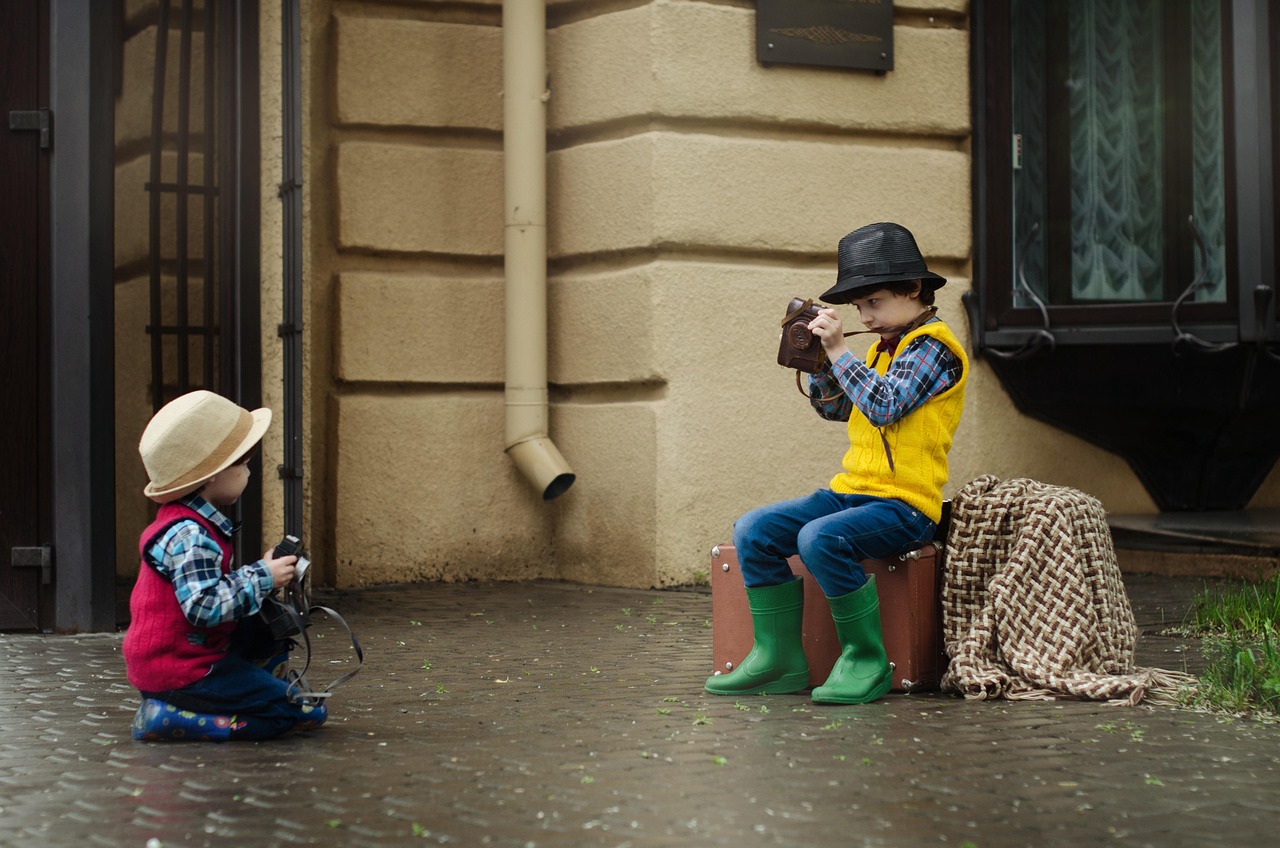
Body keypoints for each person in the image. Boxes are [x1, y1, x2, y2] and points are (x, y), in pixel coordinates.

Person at [705, 222, 968, 705]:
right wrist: (821, 364)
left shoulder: (935, 347)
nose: (865, 315)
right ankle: (778, 657)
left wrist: (840, 350)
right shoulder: (882, 350)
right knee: (753, 530)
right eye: (859, 306)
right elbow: (836, 408)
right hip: (853, 492)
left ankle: (865, 660)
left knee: (820, 537)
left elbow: (885, 405)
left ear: (913, 290)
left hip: (906, 505)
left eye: (874, 302)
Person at [123, 390, 327, 740]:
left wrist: (261, 574)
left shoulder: (184, 522)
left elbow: (209, 589)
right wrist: (263, 575)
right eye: (243, 463)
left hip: (178, 663)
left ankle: (253, 678)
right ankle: (174, 719)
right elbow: (204, 606)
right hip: (185, 672)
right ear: (215, 474)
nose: (248, 472)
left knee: (258, 617)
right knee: (301, 712)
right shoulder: (190, 535)